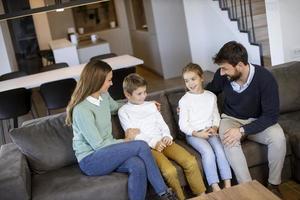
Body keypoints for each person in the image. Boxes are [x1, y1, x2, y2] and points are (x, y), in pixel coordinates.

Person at [65, 60, 176, 200]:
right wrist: (126, 140)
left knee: (138, 164)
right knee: (141, 146)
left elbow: (119, 107)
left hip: (108, 153)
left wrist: (146, 105)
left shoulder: (103, 97)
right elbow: (98, 145)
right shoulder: (82, 110)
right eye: (109, 80)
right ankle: (165, 194)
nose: (112, 83)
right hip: (91, 160)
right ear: (97, 81)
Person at [206, 41, 286, 195]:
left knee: (278, 138)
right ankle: (250, 190)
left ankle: (273, 185)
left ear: (240, 65)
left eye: (225, 68)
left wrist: (242, 130)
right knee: (229, 139)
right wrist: (188, 101)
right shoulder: (222, 76)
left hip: (258, 120)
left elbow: (271, 116)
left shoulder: (265, 79)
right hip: (231, 119)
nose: (221, 73)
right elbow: (209, 92)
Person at [118, 73, 206, 200]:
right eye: (139, 93)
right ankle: (180, 198)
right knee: (169, 171)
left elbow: (162, 124)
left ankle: (202, 195)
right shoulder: (124, 112)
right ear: (127, 94)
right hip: (147, 148)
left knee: (190, 161)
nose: (144, 96)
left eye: (145, 92)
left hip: (164, 141)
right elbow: (134, 136)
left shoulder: (151, 105)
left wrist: (166, 135)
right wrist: (154, 143)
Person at [178, 63, 232, 192]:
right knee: (208, 152)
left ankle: (228, 183)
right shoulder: (184, 101)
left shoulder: (211, 96)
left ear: (201, 78)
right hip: (194, 135)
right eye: (186, 81)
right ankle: (215, 186)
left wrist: (214, 127)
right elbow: (183, 125)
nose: (190, 83)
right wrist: (198, 134)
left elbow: (216, 116)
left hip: (210, 131)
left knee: (220, 149)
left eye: (193, 79)